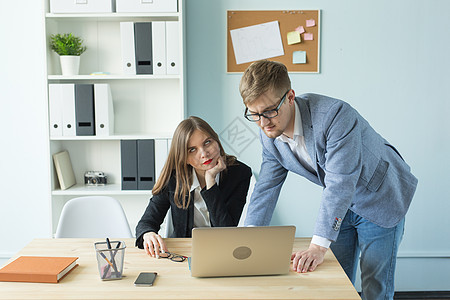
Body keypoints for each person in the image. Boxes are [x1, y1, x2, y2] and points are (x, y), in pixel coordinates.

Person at [239, 60, 418, 300]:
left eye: (270, 111)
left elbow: (340, 181)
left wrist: (317, 246)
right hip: (340, 207)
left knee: (375, 287)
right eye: (255, 114)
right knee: (335, 282)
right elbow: (266, 186)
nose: (263, 123)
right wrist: (250, 236)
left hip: (380, 196)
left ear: (290, 97)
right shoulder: (269, 134)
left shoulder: (334, 115)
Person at [135, 116, 252, 258]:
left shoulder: (240, 173)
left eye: (207, 142)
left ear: (217, 141)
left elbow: (226, 231)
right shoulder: (173, 177)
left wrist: (210, 182)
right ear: (183, 157)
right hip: (184, 253)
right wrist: (148, 234)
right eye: (192, 150)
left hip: (223, 252)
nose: (204, 154)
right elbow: (147, 222)